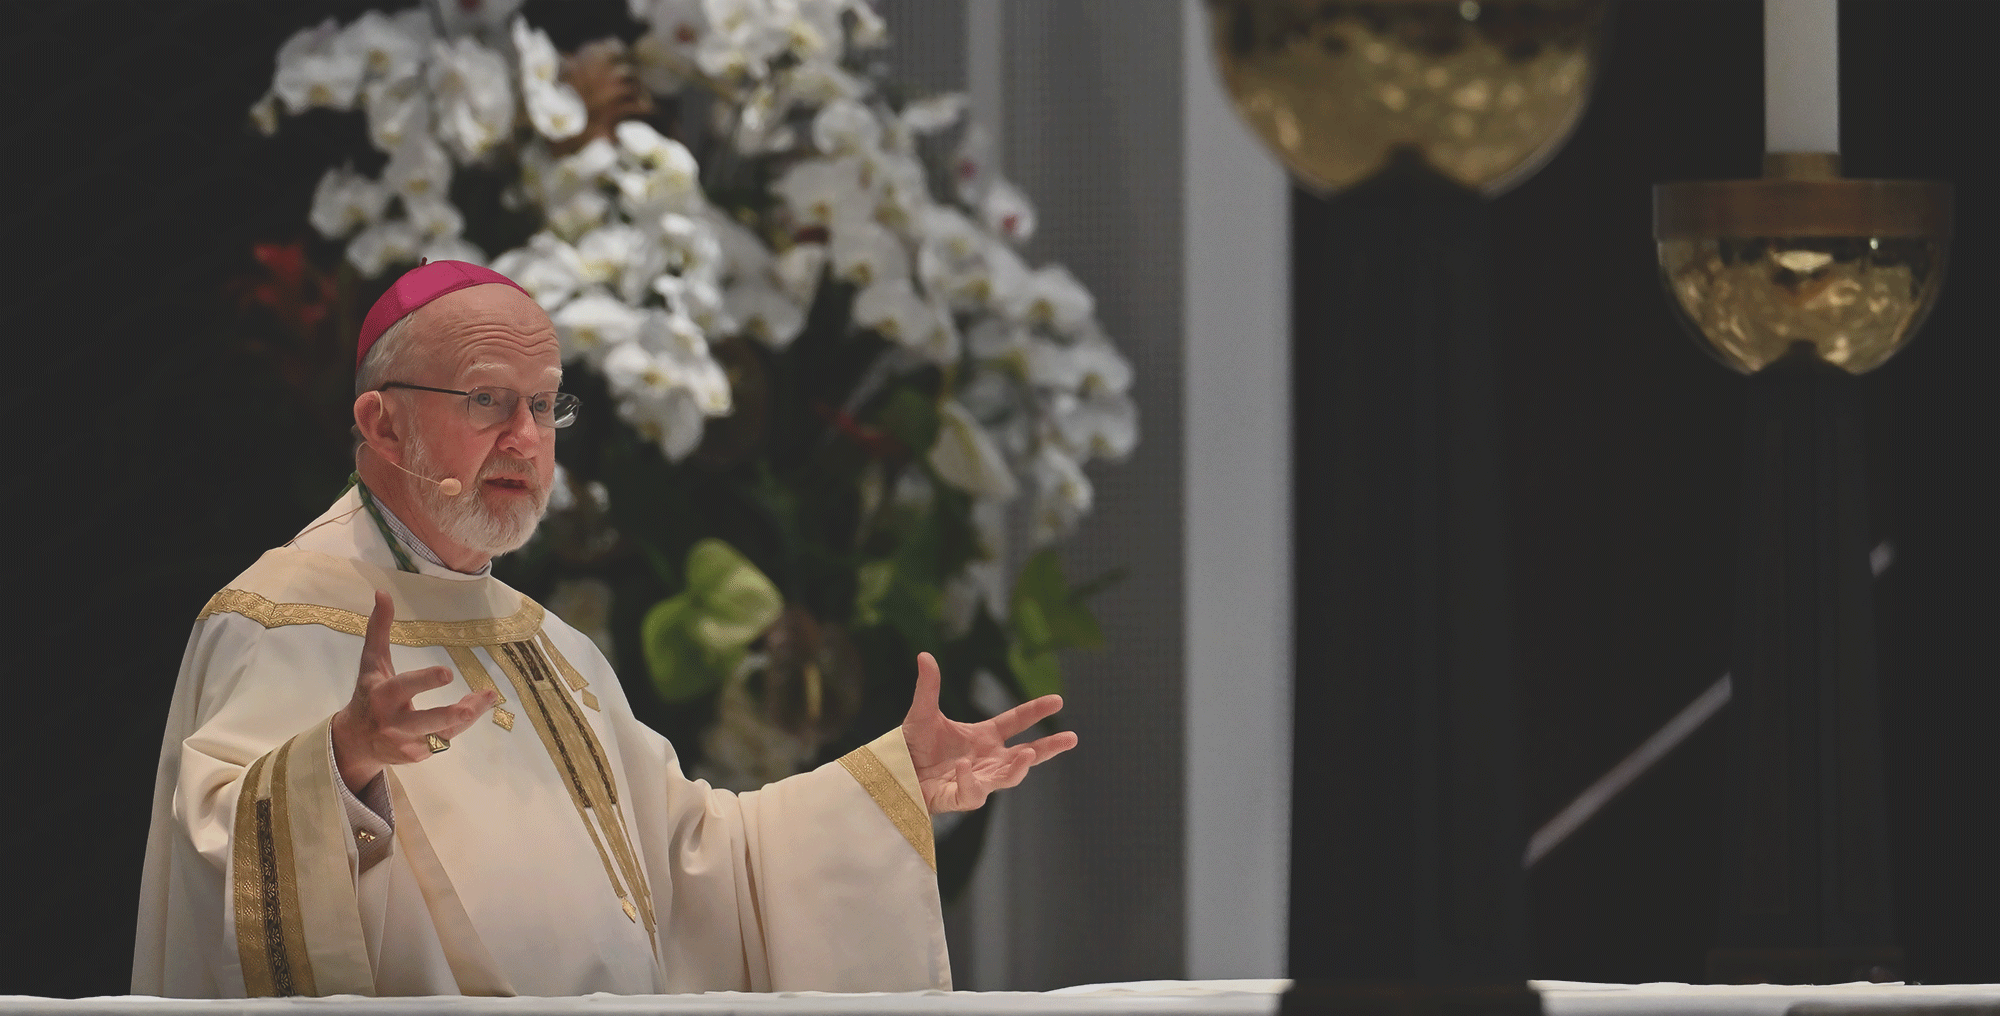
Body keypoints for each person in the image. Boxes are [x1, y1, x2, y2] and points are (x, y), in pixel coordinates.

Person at [133, 261, 1077, 998]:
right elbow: (213, 869)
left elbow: (694, 861)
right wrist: (339, 765)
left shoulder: (549, 647)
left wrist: (888, 784)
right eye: (486, 401)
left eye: (544, 405)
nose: (527, 439)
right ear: (380, 427)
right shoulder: (281, 617)